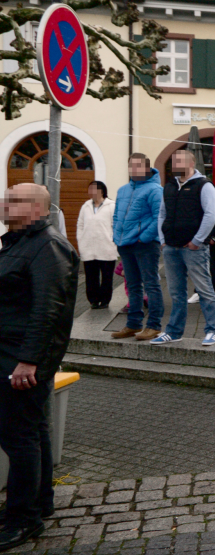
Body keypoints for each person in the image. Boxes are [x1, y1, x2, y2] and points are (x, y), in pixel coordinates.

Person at [0, 184, 79, 551]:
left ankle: (23, 519)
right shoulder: (18, 242)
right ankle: (38, 503)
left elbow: (49, 311)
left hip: (21, 360)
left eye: (13, 200)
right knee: (33, 432)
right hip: (12, 354)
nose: (4, 204)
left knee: (21, 440)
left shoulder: (48, 245)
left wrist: (28, 361)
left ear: (36, 208)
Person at [154, 150, 215, 347]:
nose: (175, 163)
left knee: (204, 290)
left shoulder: (204, 185)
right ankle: (174, 332)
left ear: (191, 163)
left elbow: (211, 215)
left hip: (193, 249)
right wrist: (162, 239)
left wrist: (197, 241)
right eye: (174, 160)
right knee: (176, 293)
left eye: (180, 160)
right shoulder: (169, 186)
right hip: (171, 247)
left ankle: (212, 330)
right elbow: (161, 214)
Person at [111, 153, 165, 341]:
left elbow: (159, 216)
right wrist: (116, 236)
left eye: (137, 166)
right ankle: (133, 324)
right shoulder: (123, 190)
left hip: (145, 245)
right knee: (132, 285)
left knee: (151, 284)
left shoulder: (155, 190)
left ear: (146, 168)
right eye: (131, 166)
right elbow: (117, 215)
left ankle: (154, 325)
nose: (134, 169)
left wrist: (145, 237)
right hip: (125, 244)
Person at [77, 181, 117, 309]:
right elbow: (80, 225)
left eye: (93, 189)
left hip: (106, 247)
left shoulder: (111, 206)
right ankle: (93, 300)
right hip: (88, 247)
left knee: (106, 277)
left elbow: (116, 225)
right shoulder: (86, 206)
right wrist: (81, 240)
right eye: (89, 189)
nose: (91, 192)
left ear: (101, 191)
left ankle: (105, 300)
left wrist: (112, 241)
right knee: (91, 277)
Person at [188, 197, 215, 304]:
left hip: (211, 241)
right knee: (197, 267)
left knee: (212, 266)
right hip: (198, 240)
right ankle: (198, 292)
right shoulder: (196, 203)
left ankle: (214, 292)